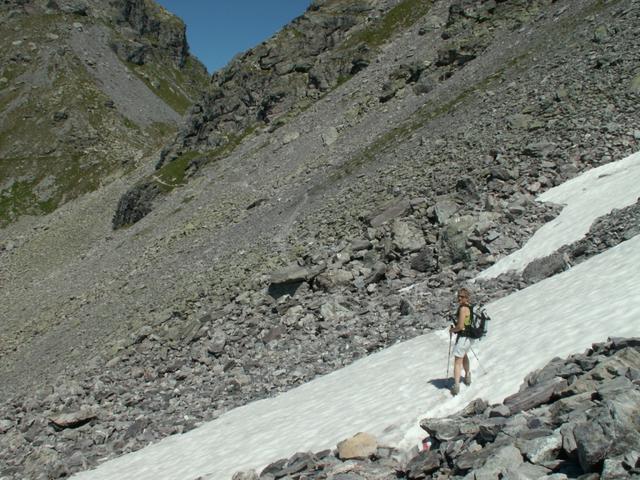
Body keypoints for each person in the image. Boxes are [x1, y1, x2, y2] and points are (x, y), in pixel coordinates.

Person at [449, 287, 475, 396]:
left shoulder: (463, 309)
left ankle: (456, 385)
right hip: (469, 337)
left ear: (467, 297)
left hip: (463, 337)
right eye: (458, 296)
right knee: (463, 355)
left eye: (462, 296)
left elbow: (460, 326)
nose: (459, 298)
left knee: (457, 361)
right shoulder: (470, 307)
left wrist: (452, 330)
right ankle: (467, 375)